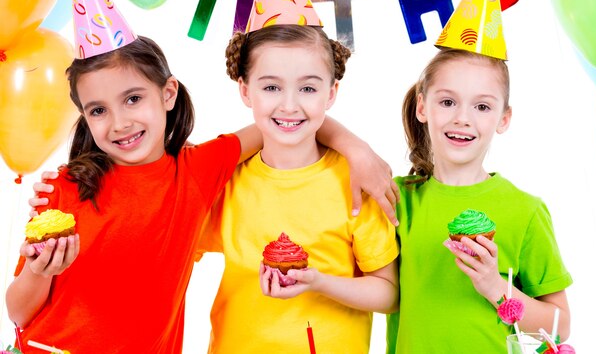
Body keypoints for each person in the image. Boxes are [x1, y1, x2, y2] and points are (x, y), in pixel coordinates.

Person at [6, 35, 396, 354]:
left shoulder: (198, 172)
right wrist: (42, 271)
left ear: (168, 93)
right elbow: (19, 313)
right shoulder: (64, 189)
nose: (120, 123)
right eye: (97, 110)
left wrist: (355, 148)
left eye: (132, 98)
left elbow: (281, 121)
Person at [199, 24, 398, 354]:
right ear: (245, 91)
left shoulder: (356, 182)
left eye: (307, 89)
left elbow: (389, 293)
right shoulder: (226, 181)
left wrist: (318, 283)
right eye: (271, 87)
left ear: (331, 93)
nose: (289, 105)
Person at [386, 47, 573, 353]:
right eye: (447, 102)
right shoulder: (397, 200)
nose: (462, 118)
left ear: (504, 118)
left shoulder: (526, 211)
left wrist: (495, 288)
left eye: (482, 107)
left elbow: (559, 327)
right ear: (422, 107)